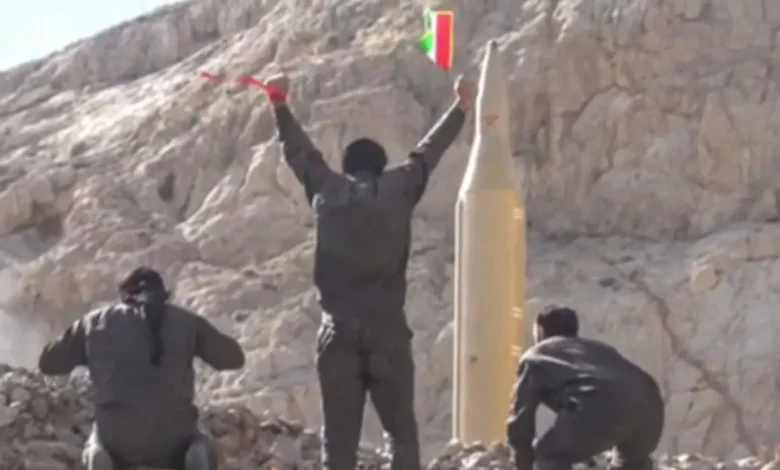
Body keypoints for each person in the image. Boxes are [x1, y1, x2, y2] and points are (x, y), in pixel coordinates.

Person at [261, 72, 476, 470]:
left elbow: (299, 152)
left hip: (337, 331)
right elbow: (428, 152)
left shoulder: (327, 190)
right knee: (401, 434)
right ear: (380, 167)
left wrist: (279, 104)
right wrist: (461, 106)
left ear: (346, 167)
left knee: (339, 439)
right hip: (387, 329)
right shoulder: (399, 189)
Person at [38, 266, 245, 470]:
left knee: (99, 443)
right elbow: (234, 359)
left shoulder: (93, 322)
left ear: (125, 294)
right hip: (175, 441)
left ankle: (99, 456)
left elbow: (48, 363)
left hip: (116, 439)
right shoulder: (188, 322)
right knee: (200, 444)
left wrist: (93, 356)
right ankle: (195, 456)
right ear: (163, 295)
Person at [506, 305, 664, 470]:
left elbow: (520, 419)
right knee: (631, 464)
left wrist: (523, 463)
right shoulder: (599, 349)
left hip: (602, 406)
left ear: (539, 331)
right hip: (651, 407)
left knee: (549, 454)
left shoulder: (536, 356)